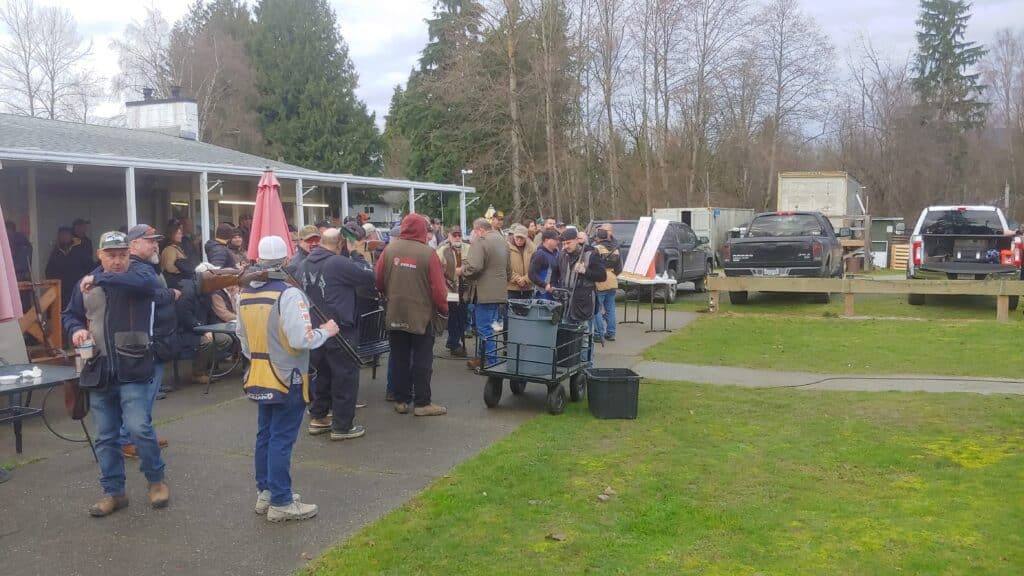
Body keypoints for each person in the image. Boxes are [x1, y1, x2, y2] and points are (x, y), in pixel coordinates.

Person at [62, 230, 171, 517]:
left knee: (139, 429)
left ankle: (156, 480)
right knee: (106, 437)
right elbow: (69, 314)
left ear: (129, 254)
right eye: (111, 256)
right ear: (100, 255)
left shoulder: (141, 275)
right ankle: (114, 492)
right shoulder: (84, 284)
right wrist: (76, 330)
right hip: (98, 369)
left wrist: (100, 277)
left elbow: (148, 284)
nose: (118, 261)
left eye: (123, 255)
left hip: (133, 367)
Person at [236, 235, 338, 522]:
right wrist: (326, 331)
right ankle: (281, 500)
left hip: (258, 371)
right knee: (281, 438)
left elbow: (243, 340)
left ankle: (266, 492)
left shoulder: (243, 294)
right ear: (286, 259)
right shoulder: (289, 294)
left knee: (265, 436)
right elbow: (300, 339)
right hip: (288, 375)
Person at [299, 225, 376, 440]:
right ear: (341, 242)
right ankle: (342, 426)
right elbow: (369, 276)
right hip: (339, 328)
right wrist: (354, 252)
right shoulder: (338, 262)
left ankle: (319, 416)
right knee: (345, 377)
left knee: (323, 375)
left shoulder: (304, 264)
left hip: (315, 328)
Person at [375, 214, 449, 416]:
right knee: (422, 359)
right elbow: (439, 290)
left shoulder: (389, 250)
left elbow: (379, 280)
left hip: (395, 311)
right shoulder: (428, 253)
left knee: (398, 357)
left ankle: (401, 399)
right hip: (421, 315)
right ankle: (423, 403)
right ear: (422, 230)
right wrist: (443, 309)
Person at [117, 224, 178, 453]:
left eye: (156, 240)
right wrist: (171, 294)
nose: (155, 245)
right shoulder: (133, 268)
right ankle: (128, 439)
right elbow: (149, 296)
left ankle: (143, 433)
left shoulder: (147, 266)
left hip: (157, 338)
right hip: (146, 341)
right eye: (150, 241)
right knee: (142, 394)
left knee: (148, 393)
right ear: (133, 244)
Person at [461, 218, 510, 370]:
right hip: (498, 292)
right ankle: (482, 358)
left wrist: (461, 271)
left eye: (474, 231)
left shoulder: (481, 242)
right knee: (491, 326)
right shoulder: (503, 241)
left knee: (484, 328)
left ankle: (491, 362)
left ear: (479, 230)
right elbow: (509, 269)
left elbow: (474, 267)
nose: (473, 234)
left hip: (484, 292)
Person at [177, 263, 234, 386]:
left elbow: (210, 314)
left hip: (200, 328)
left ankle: (208, 366)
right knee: (206, 342)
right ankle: (198, 373)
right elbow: (185, 317)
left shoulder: (206, 290)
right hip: (184, 332)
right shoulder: (188, 292)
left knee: (226, 339)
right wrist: (204, 330)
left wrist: (215, 328)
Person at [553, 228, 606, 324]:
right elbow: (555, 275)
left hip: (583, 303)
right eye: (564, 244)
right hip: (564, 302)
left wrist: (585, 271)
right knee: (565, 334)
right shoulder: (561, 255)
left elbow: (602, 276)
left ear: (577, 240)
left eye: (568, 243)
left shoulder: (591, 254)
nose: (565, 247)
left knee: (583, 335)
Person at [437, 225, 469, 357]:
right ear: (449, 236)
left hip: (465, 288)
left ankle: (459, 340)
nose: (457, 237)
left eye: (459, 235)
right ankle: (454, 343)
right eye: (454, 235)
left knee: (463, 315)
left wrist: (463, 271)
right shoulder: (442, 250)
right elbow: (436, 269)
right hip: (450, 288)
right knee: (453, 316)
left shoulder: (469, 248)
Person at [45, 226, 93, 309]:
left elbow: (89, 268)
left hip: (78, 290)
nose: (64, 237)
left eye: (66, 234)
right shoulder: (56, 253)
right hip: (61, 292)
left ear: (71, 236)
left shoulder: (80, 250)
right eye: (62, 235)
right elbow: (49, 271)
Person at [592, 227, 623, 343]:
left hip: (600, 280)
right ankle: (611, 333)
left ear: (597, 238)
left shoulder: (597, 249)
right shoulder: (616, 250)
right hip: (612, 278)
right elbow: (619, 268)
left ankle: (598, 334)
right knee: (610, 308)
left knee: (597, 309)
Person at [159, 220, 194, 290]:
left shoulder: (177, 248)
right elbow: (169, 267)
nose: (181, 236)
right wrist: (182, 270)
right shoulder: (170, 249)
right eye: (179, 233)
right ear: (172, 235)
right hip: (175, 283)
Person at [529, 228, 561, 301]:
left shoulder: (556, 253)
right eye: (555, 239)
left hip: (553, 293)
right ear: (546, 240)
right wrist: (545, 285)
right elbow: (531, 274)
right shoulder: (539, 254)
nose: (558, 241)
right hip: (542, 294)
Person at [507, 224, 535, 300]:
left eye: (522, 238)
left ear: (526, 237)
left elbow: (536, 266)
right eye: (517, 237)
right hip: (511, 288)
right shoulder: (506, 247)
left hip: (528, 288)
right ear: (513, 236)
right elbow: (503, 266)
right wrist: (516, 278)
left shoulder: (533, 247)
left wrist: (526, 279)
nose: (519, 240)